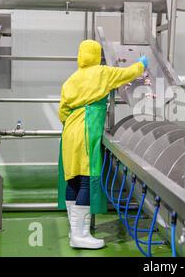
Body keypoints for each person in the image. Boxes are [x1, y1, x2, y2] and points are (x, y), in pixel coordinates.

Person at [57, 40, 148, 249]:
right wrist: (142, 64)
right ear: (97, 55)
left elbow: (62, 110)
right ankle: (81, 235)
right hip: (86, 130)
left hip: (69, 130)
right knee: (87, 180)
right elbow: (127, 74)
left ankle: (75, 230)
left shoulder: (70, 80)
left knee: (73, 178)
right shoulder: (102, 73)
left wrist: (72, 122)